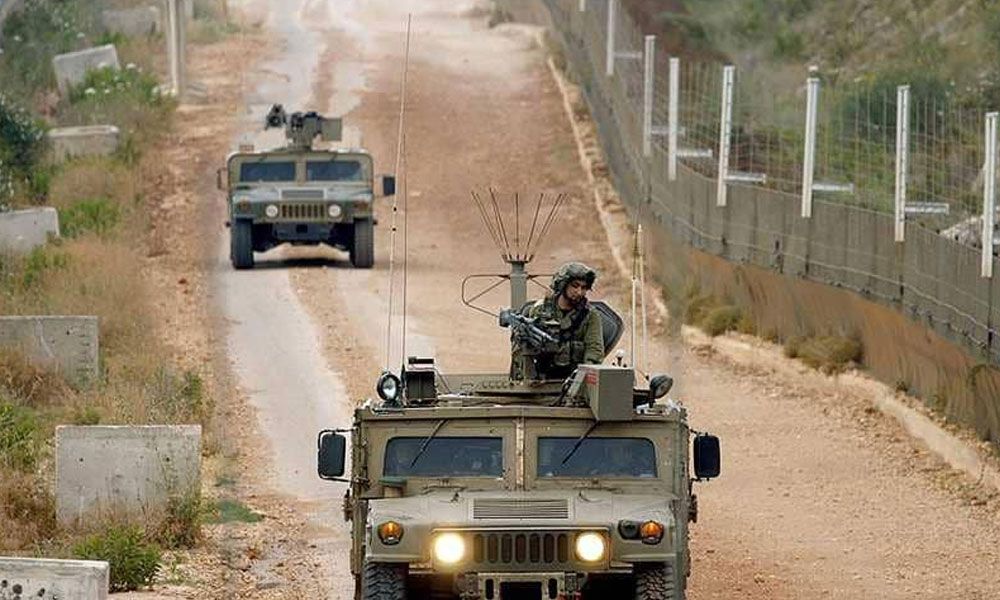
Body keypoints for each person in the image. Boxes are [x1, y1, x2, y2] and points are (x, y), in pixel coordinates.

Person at [510, 261, 604, 380]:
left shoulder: (590, 315)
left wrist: (582, 379)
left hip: (573, 380)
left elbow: (594, 350)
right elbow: (524, 348)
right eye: (575, 286)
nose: (579, 292)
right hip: (540, 380)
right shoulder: (540, 310)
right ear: (563, 285)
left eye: (584, 288)